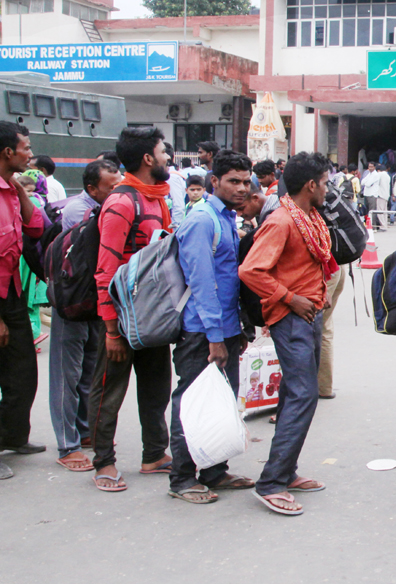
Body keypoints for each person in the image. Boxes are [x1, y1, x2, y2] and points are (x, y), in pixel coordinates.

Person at [239, 151, 335, 515]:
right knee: (302, 395)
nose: (328, 189)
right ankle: (272, 481)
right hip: (291, 317)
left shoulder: (308, 218)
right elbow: (250, 271)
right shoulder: (281, 221)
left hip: (307, 315)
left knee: (298, 395)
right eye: (325, 183)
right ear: (310, 185)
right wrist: (290, 298)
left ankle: (286, 469)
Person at [90, 126, 176, 492]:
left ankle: (154, 453)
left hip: (151, 314)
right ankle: (103, 463)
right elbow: (104, 269)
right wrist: (111, 330)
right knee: (109, 391)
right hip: (121, 319)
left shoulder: (156, 199)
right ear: (147, 159)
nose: (167, 158)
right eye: (162, 151)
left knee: (156, 386)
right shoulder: (122, 202)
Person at [168, 150, 256, 504]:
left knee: (221, 401)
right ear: (214, 181)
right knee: (193, 402)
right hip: (201, 332)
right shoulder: (203, 220)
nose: (242, 188)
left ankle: (214, 471)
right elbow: (203, 283)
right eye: (234, 181)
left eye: (246, 182)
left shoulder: (226, 218)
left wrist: (239, 330)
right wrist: (216, 339)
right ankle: (182, 478)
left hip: (225, 328)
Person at [47, 160, 119, 473]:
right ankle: (67, 444)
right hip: (73, 300)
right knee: (67, 374)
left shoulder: (110, 208)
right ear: (92, 189)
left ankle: (85, 430)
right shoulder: (81, 211)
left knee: (89, 368)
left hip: (93, 302)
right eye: (112, 187)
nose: (118, 191)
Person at [0, 122, 43, 480]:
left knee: (23, 373)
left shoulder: (11, 190)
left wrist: (19, 191)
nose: (30, 154)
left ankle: (12, 436)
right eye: (25, 148)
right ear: (8, 152)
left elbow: (36, 228)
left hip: (12, 291)